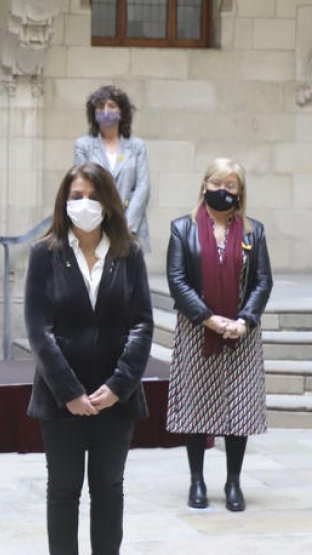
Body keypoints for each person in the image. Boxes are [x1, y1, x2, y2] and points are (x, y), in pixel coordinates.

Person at [24, 163, 154, 555]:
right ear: (64, 202)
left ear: (109, 203)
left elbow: (142, 325)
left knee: (109, 490)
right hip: (61, 399)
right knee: (63, 491)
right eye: (76, 196)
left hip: (115, 400)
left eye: (93, 197)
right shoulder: (45, 254)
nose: (84, 204)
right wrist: (69, 392)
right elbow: (38, 330)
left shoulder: (128, 253)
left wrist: (118, 386)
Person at [165, 158, 272, 512]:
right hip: (199, 331)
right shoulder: (183, 229)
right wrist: (209, 319)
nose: (222, 191)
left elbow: (262, 282)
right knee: (196, 406)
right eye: (216, 184)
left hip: (241, 335)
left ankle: (233, 482)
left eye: (230, 186)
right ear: (204, 185)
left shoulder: (254, 232)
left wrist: (245, 319)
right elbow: (178, 281)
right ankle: (197, 480)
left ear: (240, 191)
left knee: (237, 411)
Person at [73, 85, 150, 251]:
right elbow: (82, 184)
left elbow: (143, 186)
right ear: (93, 113)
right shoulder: (83, 145)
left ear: (121, 112)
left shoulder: (137, 146)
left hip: (129, 227)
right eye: (100, 107)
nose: (106, 111)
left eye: (111, 106)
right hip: (95, 224)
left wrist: (126, 224)